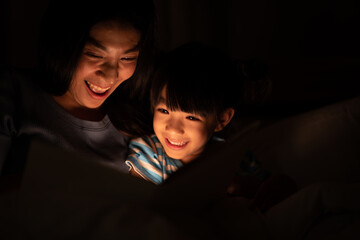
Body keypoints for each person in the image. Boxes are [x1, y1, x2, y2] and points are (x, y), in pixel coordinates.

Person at [0, 0, 156, 182]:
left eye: (127, 57)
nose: (110, 76)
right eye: (94, 55)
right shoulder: (14, 94)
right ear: (63, 47)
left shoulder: (139, 115)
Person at [125, 42, 261, 184]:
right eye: (164, 110)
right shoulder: (149, 154)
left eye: (191, 117)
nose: (173, 128)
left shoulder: (235, 157)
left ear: (222, 119)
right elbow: (143, 203)